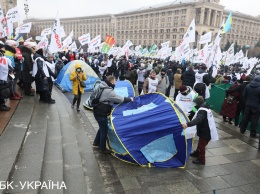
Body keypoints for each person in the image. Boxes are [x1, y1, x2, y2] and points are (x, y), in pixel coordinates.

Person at [93, 76, 133, 154]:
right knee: (104, 130)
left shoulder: (101, 86)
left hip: (97, 110)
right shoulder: (109, 91)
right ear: (111, 82)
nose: (115, 83)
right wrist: (129, 99)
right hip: (102, 113)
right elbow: (119, 99)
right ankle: (102, 148)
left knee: (101, 127)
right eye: (115, 81)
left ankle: (96, 142)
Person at [182, 96, 218, 165]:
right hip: (207, 130)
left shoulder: (202, 111)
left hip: (205, 132)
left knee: (202, 146)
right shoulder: (206, 107)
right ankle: (197, 153)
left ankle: (202, 160)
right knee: (201, 143)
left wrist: (187, 124)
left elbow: (198, 119)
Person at [0, 41, 12, 111]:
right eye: (3, 48)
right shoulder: (2, 57)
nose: (4, 49)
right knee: (2, 91)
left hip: (2, 76)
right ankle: (2, 105)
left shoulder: (3, 56)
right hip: (2, 77)